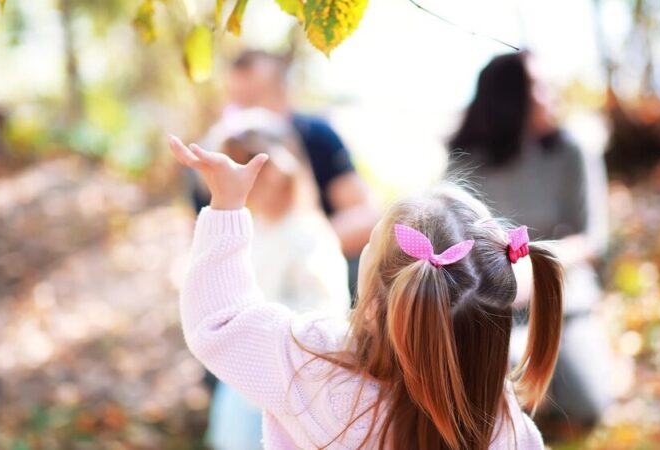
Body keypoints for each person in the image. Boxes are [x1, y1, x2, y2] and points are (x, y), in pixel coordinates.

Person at [168, 134, 565, 449]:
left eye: (370, 244)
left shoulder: (313, 361)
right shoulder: (504, 425)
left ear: (376, 305)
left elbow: (219, 321)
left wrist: (226, 205)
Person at [447, 51, 612, 426]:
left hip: (560, 298)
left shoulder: (571, 152)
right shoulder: (465, 162)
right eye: (539, 85)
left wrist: (532, 270)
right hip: (487, 302)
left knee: (588, 404)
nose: (551, 94)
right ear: (508, 95)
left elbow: (593, 238)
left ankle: (528, 385)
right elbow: (450, 237)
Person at [200, 108, 351, 449]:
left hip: (289, 381)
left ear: (277, 173)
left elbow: (324, 311)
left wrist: (265, 332)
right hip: (244, 376)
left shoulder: (307, 234)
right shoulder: (251, 227)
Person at [192, 50, 379, 291]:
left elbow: (366, 216)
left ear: (282, 94)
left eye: (255, 97)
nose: (246, 111)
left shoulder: (317, 137)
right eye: (238, 100)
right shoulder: (217, 158)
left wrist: (298, 246)